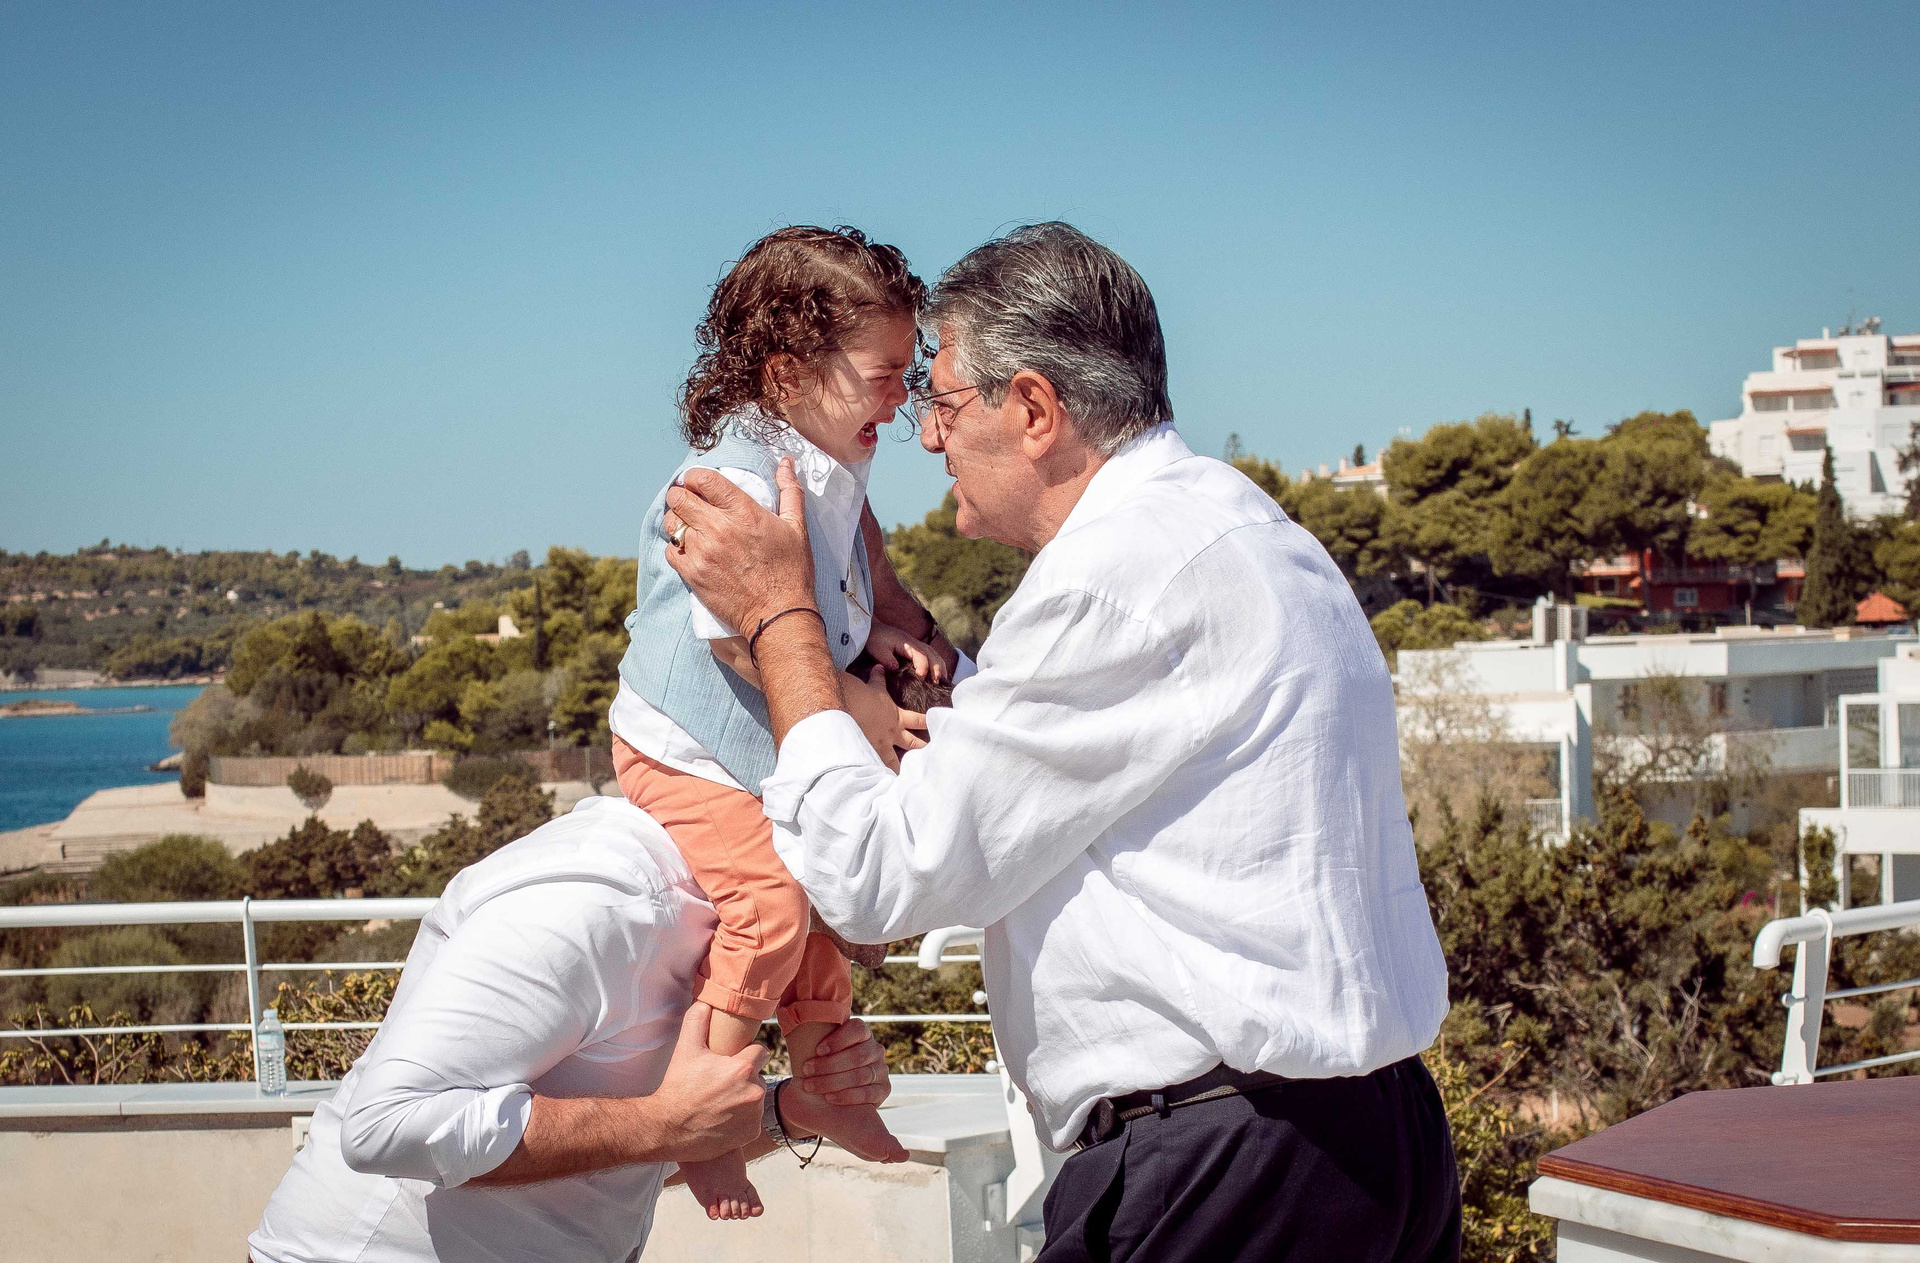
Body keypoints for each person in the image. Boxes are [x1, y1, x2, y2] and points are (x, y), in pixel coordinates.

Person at [662, 222, 1464, 1261]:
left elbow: (876, 877)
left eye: (944, 401)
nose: (928, 438)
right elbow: (1051, 782)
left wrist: (781, 617)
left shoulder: (1113, 580)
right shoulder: (1246, 531)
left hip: (1229, 1170)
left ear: (1035, 410)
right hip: (1370, 1146)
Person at [609, 224, 954, 1219]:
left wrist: (879, 622)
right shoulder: (741, 480)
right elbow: (736, 636)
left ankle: (822, 1085)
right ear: (790, 373)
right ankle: (703, 1124)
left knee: (820, 907)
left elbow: (838, 561)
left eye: (911, 372)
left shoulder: (817, 450)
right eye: (885, 376)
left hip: (750, 746)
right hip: (687, 749)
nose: (904, 398)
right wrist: (864, 706)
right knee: (768, 909)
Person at [248, 795, 896, 1263]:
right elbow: (387, 1128)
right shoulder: (603, 899)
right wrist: (667, 1123)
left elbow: (619, 1155)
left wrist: (789, 1110)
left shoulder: (738, 933)